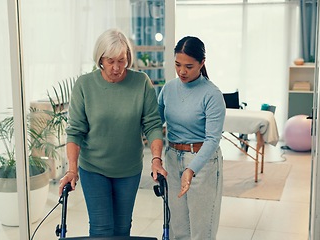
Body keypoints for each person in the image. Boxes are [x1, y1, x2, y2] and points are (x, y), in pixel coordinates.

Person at [58, 28, 164, 237]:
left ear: (128, 58)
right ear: (100, 59)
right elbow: (75, 131)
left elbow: (152, 125)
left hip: (129, 169)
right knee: (101, 229)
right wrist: (72, 169)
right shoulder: (85, 85)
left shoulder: (141, 82)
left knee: (122, 228)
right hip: (94, 168)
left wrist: (156, 160)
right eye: (110, 61)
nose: (116, 68)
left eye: (121, 60)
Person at [153, 36, 226, 239]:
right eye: (177, 65)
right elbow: (154, 124)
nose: (182, 71)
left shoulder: (212, 94)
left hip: (202, 162)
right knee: (178, 227)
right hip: (172, 159)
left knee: (202, 229)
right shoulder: (168, 89)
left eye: (189, 66)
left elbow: (213, 139)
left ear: (202, 63)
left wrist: (191, 169)